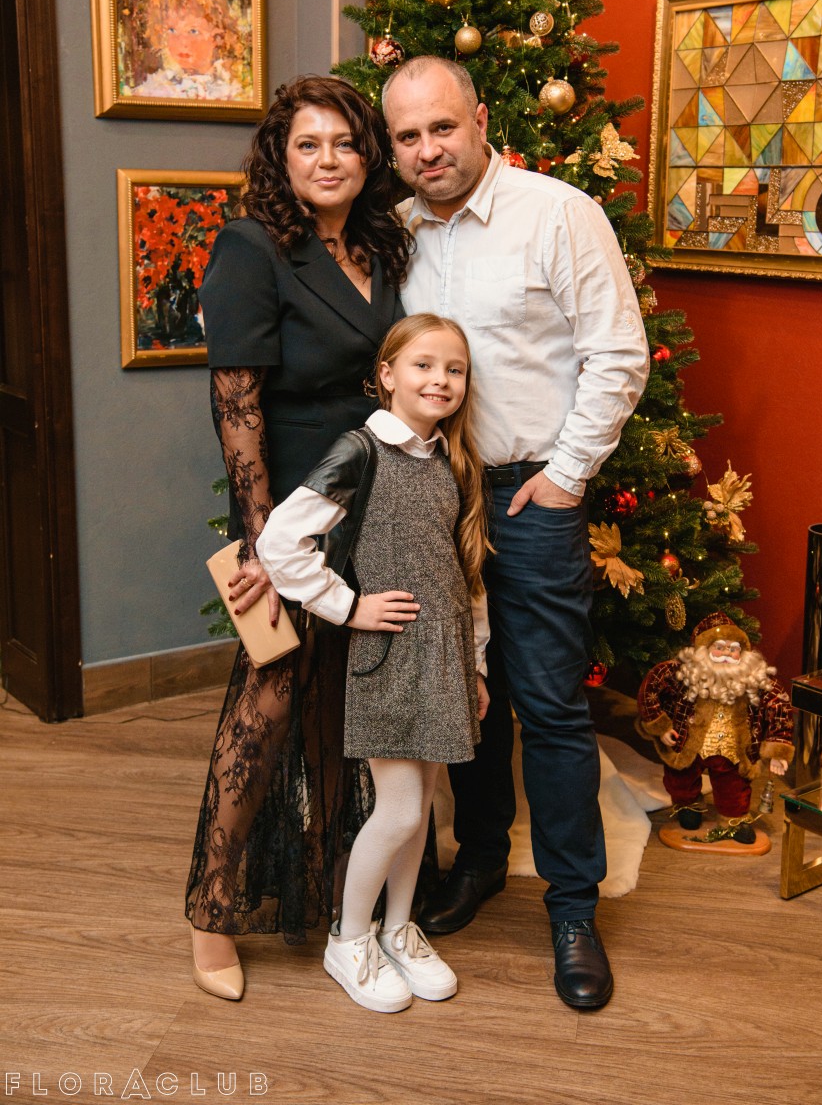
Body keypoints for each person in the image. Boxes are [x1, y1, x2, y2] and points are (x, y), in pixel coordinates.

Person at [381, 56, 650, 1011]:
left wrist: (567, 476)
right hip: (433, 495)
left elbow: (618, 353)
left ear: (481, 119)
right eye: (407, 137)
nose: (427, 150)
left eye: (442, 128)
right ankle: (480, 860)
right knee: (464, 697)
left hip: (531, 494)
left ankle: (573, 909)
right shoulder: (395, 235)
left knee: (548, 702)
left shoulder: (558, 213)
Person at [185, 75, 411, 1001]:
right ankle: (210, 914)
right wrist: (259, 545)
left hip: (377, 496)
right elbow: (236, 402)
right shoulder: (252, 246)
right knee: (270, 696)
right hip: (292, 513)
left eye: (345, 143)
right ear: (281, 157)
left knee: (344, 700)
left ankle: (327, 886)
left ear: (368, 156)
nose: (328, 160)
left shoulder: (379, 243)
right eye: (307, 143)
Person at [256, 314, 491, 1012]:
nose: (440, 380)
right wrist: (348, 606)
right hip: (390, 656)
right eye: (424, 365)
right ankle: (349, 936)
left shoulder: (451, 459)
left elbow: (466, 575)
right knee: (400, 808)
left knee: (423, 808)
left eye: (454, 369)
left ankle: (398, 928)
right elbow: (280, 541)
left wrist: (476, 664)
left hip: (445, 656)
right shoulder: (361, 451)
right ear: (387, 375)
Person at [637, 612, 793, 844]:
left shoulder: (753, 678)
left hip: (732, 748)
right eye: (719, 648)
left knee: (734, 787)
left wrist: (778, 748)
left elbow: (779, 703)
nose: (727, 654)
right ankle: (688, 805)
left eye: (733, 649)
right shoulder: (684, 673)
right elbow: (651, 685)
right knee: (680, 780)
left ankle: (733, 819)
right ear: (704, 649)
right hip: (687, 743)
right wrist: (661, 726)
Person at [130, 0, 249, 101]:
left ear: (217, 37)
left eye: (193, 31)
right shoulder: (154, 90)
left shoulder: (232, 92)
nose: (182, 42)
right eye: (172, 30)